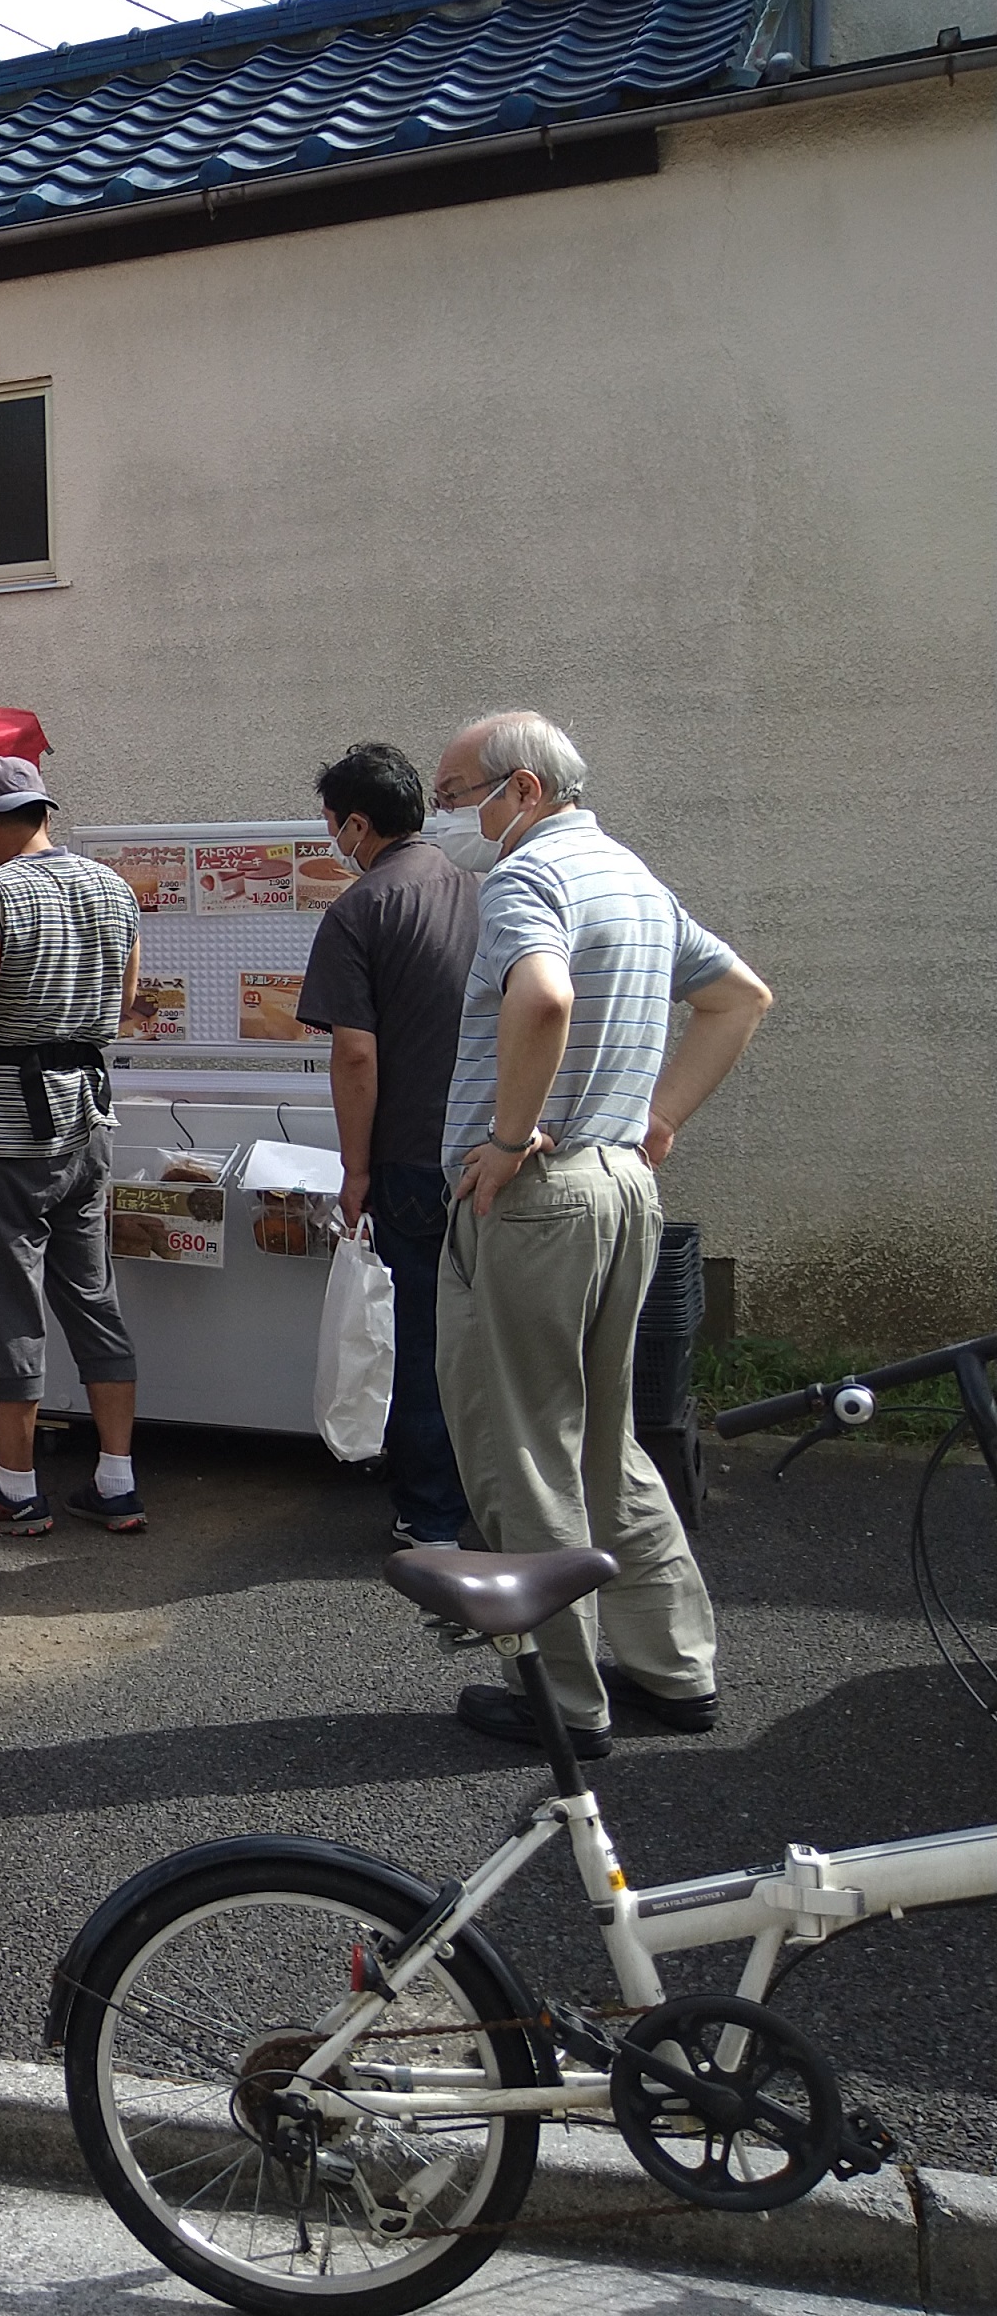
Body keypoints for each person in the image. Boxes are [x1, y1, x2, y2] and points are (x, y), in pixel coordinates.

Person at [429, 711, 771, 1759]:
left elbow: (539, 996)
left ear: (518, 790)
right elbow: (736, 998)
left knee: (521, 1451)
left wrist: (502, 1135)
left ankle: (564, 1703)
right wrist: (656, 1115)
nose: (448, 818)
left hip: (533, 1196)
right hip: (620, 1185)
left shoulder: (524, 880)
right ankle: (675, 1669)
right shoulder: (628, 874)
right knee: (603, 1441)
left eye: (454, 795)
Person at [0, 755, 146, 1537]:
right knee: (92, 1293)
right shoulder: (114, 889)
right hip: (86, 1117)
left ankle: (17, 1488)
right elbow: (123, 1005)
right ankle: (117, 1480)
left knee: (5, 1301)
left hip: (2, 1128)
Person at [298, 740, 482, 1549]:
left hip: (411, 1159)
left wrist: (356, 1168)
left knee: (415, 1341)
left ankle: (431, 1516)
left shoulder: (361, 908)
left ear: (358, 824)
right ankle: (500, 1505)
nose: (333, 838)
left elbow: (356, 1053)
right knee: (489, 1337)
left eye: (334, 824)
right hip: (499, 1151)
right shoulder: (482, 889)